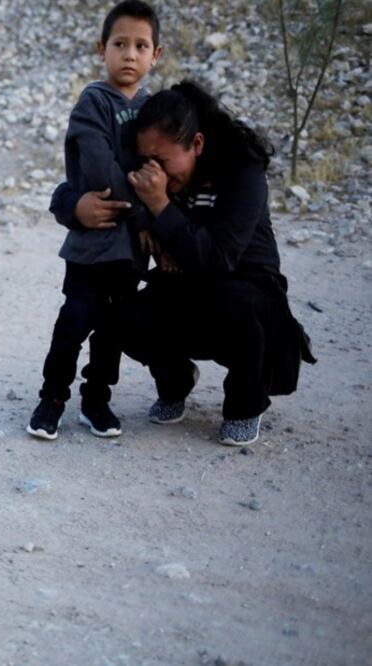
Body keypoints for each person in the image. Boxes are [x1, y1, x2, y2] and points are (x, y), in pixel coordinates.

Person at [60, 80, 315, 446]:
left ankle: (245, 405)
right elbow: (83, 183)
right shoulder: (152, 169)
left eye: (163, 162)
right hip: (187, 285)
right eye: (147, 161)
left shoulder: (242, 170)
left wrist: (161, 206)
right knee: (122, 314)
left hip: (248, 291)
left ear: (197, 143)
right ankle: (176, 381)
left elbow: (220, 258)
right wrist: (74, 207)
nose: (156, 173)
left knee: (235, 303)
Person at [27, 0, 163, 441]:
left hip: (130, 252)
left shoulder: (153, 108)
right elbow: (102, 168)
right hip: (92, 242)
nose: (129, 55)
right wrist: (143, 214)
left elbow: (161, 166)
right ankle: (52, 399)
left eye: (141, 46)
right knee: (74, 321)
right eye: (120, 44)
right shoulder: (93, 103)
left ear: (155, 55)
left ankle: (96, 401)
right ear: (102, 49)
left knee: (111, 331)